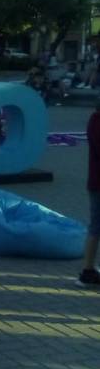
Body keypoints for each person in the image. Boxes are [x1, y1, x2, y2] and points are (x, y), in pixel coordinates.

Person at [79, 101, 100, 287]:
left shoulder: (95, 120)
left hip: (96, 181)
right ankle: (87, 271)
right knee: (96, 227)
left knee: (96, 226)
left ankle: (89, 270)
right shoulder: (97, 121)